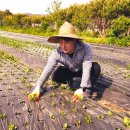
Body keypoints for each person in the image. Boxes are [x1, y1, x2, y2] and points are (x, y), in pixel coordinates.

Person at [28, 21, 101, 101]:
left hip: (82, 70)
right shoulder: (57, 52)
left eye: (67, 42)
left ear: (74, 40)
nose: (63, 46)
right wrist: (38, 87)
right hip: (70, 71)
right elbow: (49, 67)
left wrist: (83, 88)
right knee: (56, 75)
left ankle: (84, 85)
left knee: (96, 68)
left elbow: (87, 67)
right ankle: (74, 81)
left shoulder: (86, 48)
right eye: (61, 42)